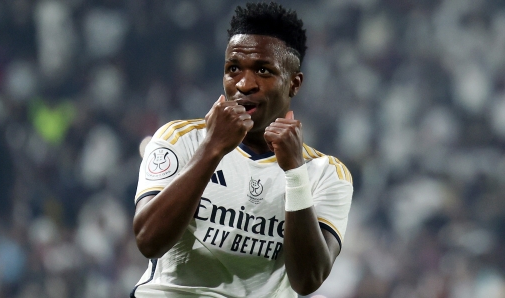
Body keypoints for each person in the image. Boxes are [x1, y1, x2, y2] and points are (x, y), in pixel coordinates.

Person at [131, 2, 353, 297]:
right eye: (233, 69)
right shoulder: (179, 139)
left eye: (263, 70)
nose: (245, 84)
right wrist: (212, 148)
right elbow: (148, 241)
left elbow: (308, 280)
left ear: (294, 83)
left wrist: (295, 174)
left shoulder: (326, 173)